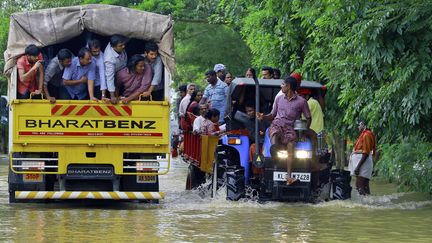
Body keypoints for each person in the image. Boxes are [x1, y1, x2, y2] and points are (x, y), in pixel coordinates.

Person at [257, 77, 311, 185]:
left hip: (290, 128)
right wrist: (263, 117)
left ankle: (289, 177)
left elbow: (309, 118)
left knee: (291, 146)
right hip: (277, 124)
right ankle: (274, 150)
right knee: (274, 132)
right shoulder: (279, 99)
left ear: (288, 86)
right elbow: (272, 115)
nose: (281, 86)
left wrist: (304, 132)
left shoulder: (301, 101)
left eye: (283, 84)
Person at [349, 121, 376, 195]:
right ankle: (369, 202)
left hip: (364, 164)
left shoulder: (366, 135)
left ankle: (363, 204)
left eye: (359, 125)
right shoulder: (365, 134)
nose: (358, 127)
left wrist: (358, 167)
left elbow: (366, 153)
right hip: (364, 163)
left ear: (364, 125)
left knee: (359, 185)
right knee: (365, 186)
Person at [103, 34, 128, 103]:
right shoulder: (109, 59)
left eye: (123, 44)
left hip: (121, 69)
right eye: (120, 46)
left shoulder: (117, 44)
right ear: (113, 47)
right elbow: (109, 77)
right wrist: (112, 96)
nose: (123, 46)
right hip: (114, 73)